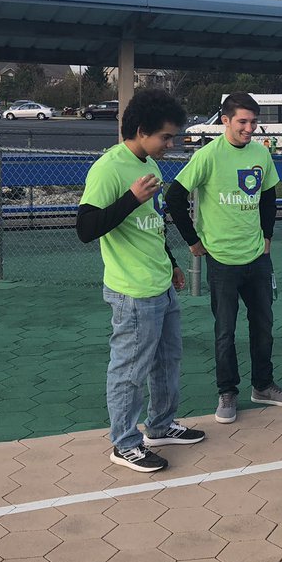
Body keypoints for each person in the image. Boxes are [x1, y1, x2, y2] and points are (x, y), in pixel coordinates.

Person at [76, 89, 204, 473]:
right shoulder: (108, 169)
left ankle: (161, 426)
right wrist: (130, 198)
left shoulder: (150, 164)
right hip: (132, 292)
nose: (171, 144)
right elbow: (86, 228)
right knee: (129, 370)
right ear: (141, 130)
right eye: (165, 137)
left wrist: (172, 264)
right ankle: (125, 443)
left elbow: (154, 225)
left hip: (160, 284)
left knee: (167, 361)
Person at [167, 92, 282, 425]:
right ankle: (227, 391)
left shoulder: (261, 153)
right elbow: (174, 196)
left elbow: (269, 198)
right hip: (223, 261)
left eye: (253, 122)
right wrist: (193, 241)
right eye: (242, 121)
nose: (249, 128)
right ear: (226, 120)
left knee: (264, 326)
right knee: (225, 330)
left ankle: (263, 386)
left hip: (257, 257)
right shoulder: (208, 155)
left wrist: (268, 236)